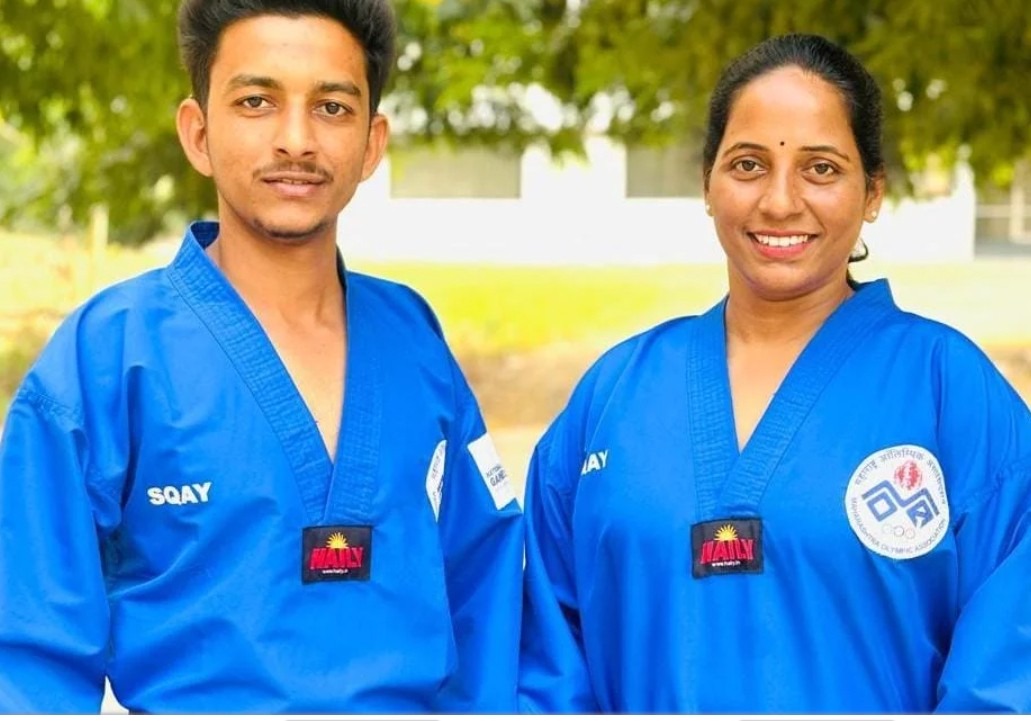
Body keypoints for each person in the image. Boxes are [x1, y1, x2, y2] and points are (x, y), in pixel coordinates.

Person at [0, 0, 523, 713]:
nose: (296, 140)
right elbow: (27, 654)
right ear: (198, 133)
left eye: (332, 107)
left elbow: (486, 592)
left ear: (372, 144)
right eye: (256, 102)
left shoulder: (413, 337)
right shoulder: (108, 355)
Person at [518, 32, 1031, 714]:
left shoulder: (947, 390)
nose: (780, 201)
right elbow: (546, 658)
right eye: (748, 164)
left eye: (820, 168)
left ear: (872, 192)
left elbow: (1007, 668)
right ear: (707, 183)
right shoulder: (614, 395)